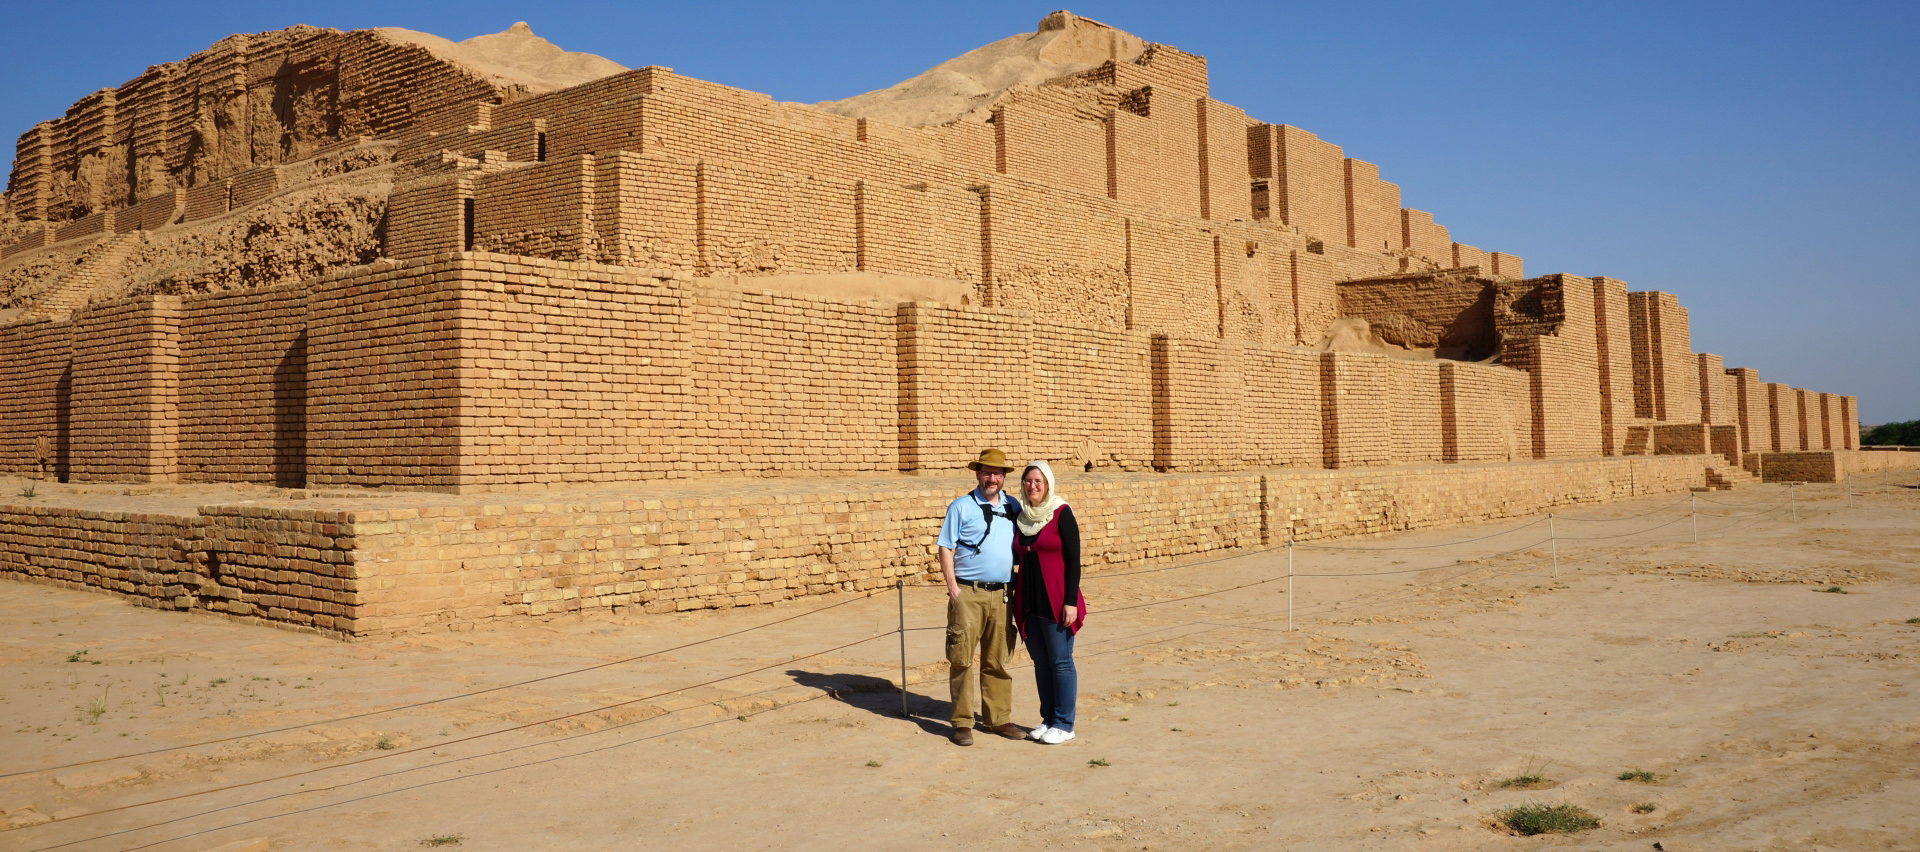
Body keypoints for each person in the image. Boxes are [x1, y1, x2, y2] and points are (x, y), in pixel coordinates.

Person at [936, 448, 1024, 746]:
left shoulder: (1013, 506)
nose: (992, 478)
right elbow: (946, 546)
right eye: (986, 472)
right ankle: (962, 722)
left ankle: (998, 719)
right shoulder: (961, 506)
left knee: (996, 658)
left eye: (997, 473)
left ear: (1003, 477)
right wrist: (952, 587)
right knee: (961, 658)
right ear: (977, 474)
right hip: (968, 592)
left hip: (1002, 594)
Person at [1011, 459, 1083, 745]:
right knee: (1041, 663)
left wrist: (1070, 601)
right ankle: (1049, 719)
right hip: (1030, 601)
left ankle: (1065, 724)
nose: (1033, 486)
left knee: (1061, 662)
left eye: (1038, 481)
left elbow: (1074, 561)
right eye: (1028, 481)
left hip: (1056, 600)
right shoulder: (1023, 517)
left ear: (1048, 484)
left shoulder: (1061, 513)